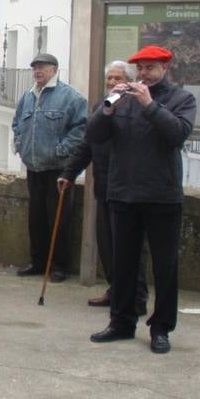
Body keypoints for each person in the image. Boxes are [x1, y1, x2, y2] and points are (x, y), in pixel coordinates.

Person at [86, 45, 196, 355]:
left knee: (165, 266)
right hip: (124, 193)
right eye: (141, 68)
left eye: (150, 68)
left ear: (164, 69)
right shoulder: (121, 99)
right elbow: (93, 135)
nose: (144, 74)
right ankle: (121, 322)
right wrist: (107, 107)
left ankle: (161, 327)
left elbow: (177, 135)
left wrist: (150, 105)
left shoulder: (181, 99)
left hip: (162, 195)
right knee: (124, 264)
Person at [59, 61, 149, 312]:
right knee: (107, 245)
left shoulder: (135, 107)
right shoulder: (102, 107)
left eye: (117, 78)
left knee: (131, 247)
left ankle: (137, 298)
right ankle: (116, 290)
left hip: (128, 190)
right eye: (109, 78)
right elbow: (87, 144)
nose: (111, 83)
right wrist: (69, 173)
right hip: (104, 186)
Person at [13, 53, 87, 282]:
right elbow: (17, 124)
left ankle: (58, 265)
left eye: (42, 68)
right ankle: (38, 261)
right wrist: (20, 145)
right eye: (35, 68)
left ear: (54, 69)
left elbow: (81, 128)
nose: (37, 72)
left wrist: (61, 150)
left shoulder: (71, 97)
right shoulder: (27, 96)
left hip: (58, 169)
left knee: (59, 219)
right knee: (36, 219)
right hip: (34, 167)